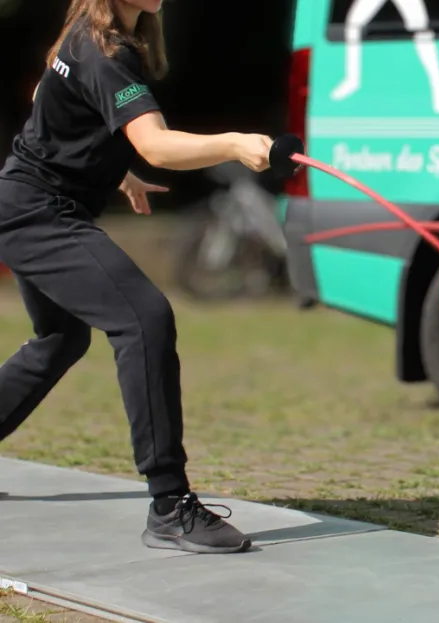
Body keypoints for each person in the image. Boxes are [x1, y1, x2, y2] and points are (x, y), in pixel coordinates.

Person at [0, 0, 274, 554]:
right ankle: (170, 506)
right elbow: (155, 143)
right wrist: (235, 143)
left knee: (60, 337)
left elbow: (47, 100)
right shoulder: (105, 51)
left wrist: (117, 170)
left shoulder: (90, 33)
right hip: (40, 212)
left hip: (25, 202)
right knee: (145, 318)